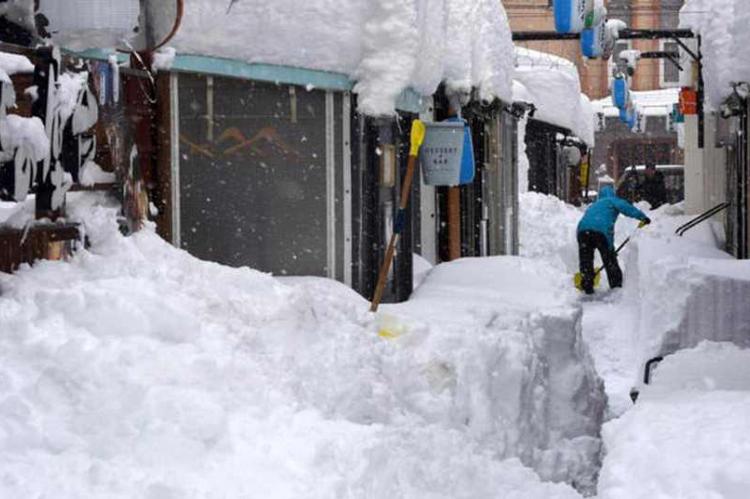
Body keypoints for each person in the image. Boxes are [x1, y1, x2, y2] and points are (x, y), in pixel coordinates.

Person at [577, 185, 650, 294]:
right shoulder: (612, 200)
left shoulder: (594, 205)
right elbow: (627, 208)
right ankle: (616, 287)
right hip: (600, 231)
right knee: (609, 260)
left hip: (582, 231)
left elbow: (588, 220)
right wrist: (642, 217)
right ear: (612, 194)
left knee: (586, 259)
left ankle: (587, 284)